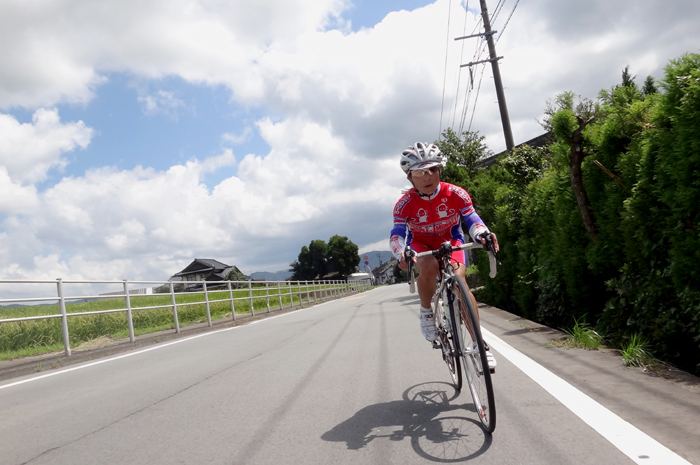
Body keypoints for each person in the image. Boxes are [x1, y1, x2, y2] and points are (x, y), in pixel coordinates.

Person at [390, 141, 500, 371]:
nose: (427, 176)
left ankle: (480, 346)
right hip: (421, 244)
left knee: (460, 283)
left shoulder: (455, 193)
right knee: (428, 266)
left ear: (440, 170)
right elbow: (397, 233)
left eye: (433, 169)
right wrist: (400, 252)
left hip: (452, 241)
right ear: (410, 178)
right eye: (420, 173)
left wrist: (483, 234)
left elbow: (472, 219)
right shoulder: (404, 204)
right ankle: (426, 311)